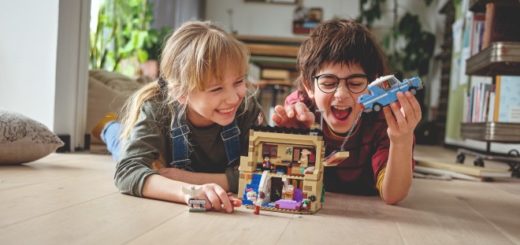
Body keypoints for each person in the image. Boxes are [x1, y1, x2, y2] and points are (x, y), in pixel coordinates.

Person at [93, 21, 263, 213]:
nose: (234, 98)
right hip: (160, 155)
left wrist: (187, 178)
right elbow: (128, 171)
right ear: (181, 94)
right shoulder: (156, 109)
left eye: (239, 81)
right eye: (216, 89)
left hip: (180, 170)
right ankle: (109, 127)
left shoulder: (247, 108)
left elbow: (261, 173)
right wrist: (187, 191)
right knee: (121, 143)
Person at [271, 19, 421, 205]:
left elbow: (393, 195)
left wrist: (402, 142)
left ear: (373, 84)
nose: (341, 95)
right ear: (309, 86)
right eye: (328, 83)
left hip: (368, 194)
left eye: (355, 83)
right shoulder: (299, 110)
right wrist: (295, 137)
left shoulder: (386, 120)